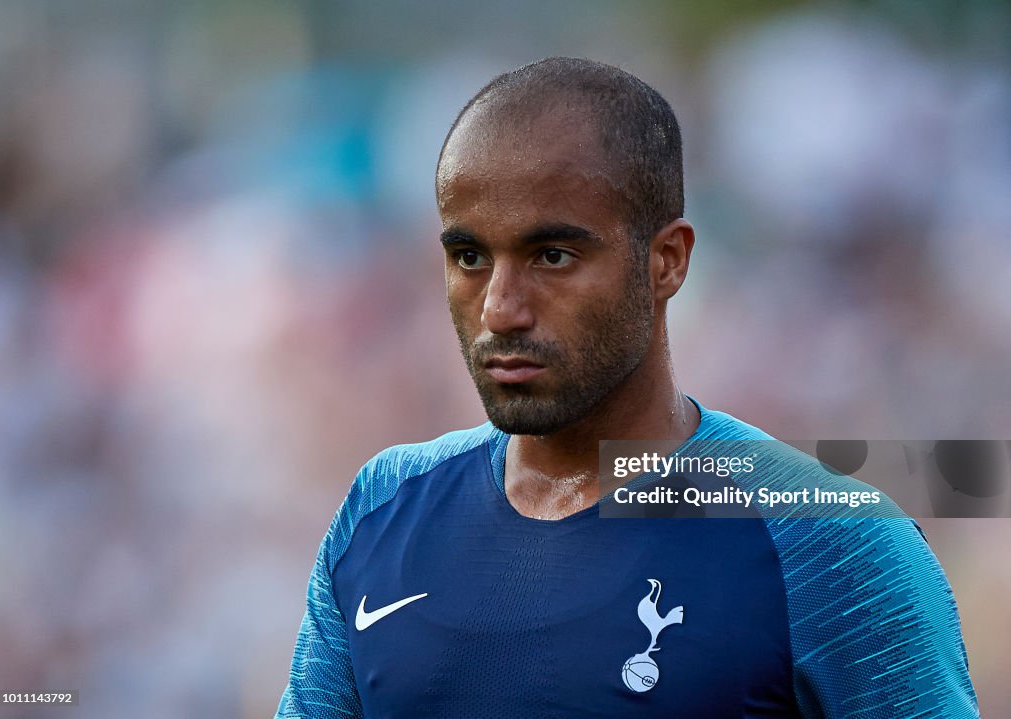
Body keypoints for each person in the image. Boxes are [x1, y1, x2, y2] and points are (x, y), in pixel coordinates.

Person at [274, 57, 978, 718]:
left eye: (552, 255)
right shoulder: (381, 509)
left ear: (666, 261)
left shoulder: (826, 537)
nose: (499, 307)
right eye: (469, 256)